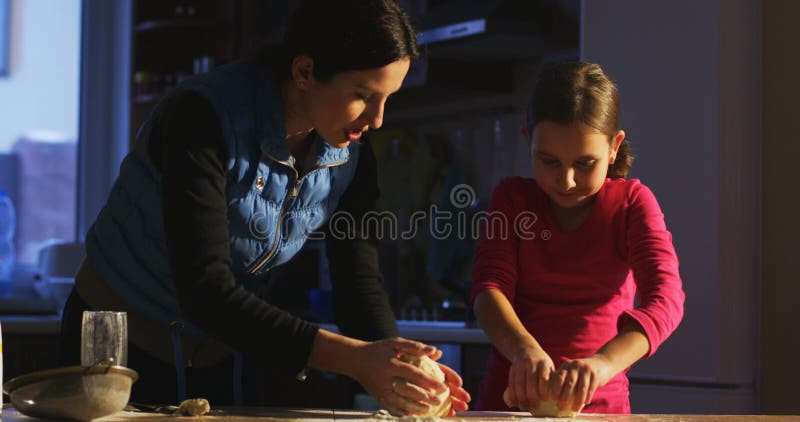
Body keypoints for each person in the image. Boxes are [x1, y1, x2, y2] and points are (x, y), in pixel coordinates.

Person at [58, 0, 470, 414]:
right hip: (114, 344)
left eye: (388, 98)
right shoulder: (201, 117)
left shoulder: (353, 156)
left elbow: (357, 285)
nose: (378, 119)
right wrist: (357, 360)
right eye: (362, 95)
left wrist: (400, 370)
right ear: (305, 72)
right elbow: (205, 289)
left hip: (225, 348)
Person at [470, 61, 685, 414]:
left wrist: (601, 364)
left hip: (601, 409)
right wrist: (524, 349)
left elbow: (666, 299)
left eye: (585, 163)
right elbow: (488, 287)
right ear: (528, 140)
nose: (566, 181)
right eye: (549, 161)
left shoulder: (631, 204)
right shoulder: (512, 199)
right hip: (507, 407)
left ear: (614, 147)